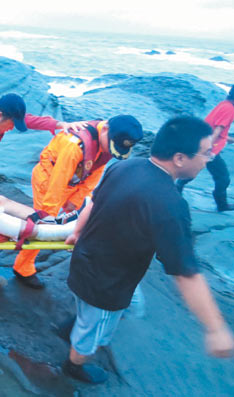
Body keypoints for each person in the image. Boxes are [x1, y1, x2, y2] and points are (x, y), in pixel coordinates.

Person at [60, 116, 234, 384]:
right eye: (206, 153)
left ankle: (75, 326)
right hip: (106, 285)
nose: (208, 159)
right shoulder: (170, 205)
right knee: (94, 330)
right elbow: (185, 273)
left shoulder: (124, 167)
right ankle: (74, 364)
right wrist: (216, 328)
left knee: (110, 307)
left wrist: (76, 233)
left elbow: (91, 203)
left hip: (85, 262)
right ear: (179, 158)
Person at [0, 93, 86, 281]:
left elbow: (26, 119)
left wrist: (59, 124)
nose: (11, 129)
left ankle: (52, 222)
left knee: (1, 201)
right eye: (10, 124)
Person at [13, 115, 143, 289]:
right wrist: (49, 213)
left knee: (84, 218)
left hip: (76, 180)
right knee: (45, 222)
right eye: (112, 146)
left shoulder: (107, 140)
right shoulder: (73, 146)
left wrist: (75, 201)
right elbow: (57, 184)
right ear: (105, 129)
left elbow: (96, 172)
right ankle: (22, 266)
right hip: (50, 179)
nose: (111, 152)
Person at [177, 86, 234, 211]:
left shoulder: (224, 104)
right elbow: (217, 131)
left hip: (203, 142)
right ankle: (222, 205)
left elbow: (218, 130)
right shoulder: (230, 109)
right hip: (209, 148)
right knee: (223, 178)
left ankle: (177, 189)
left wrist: (230, 140)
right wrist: (207, 150)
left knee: (194, 169)